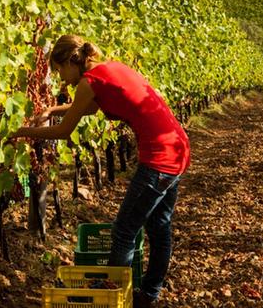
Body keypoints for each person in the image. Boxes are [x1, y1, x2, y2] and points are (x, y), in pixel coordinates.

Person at [11, 35, 190, 308]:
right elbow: (90, 108)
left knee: (123, 231)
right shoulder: (108, 70)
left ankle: (112, 298)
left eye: (59, 71)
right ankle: (147, 296)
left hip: (159, 158)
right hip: (177, 146)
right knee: (159, 227)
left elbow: (63, 131)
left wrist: (21, 132)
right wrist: (51, 109)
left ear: (72, 61)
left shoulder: (88, 82)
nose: (62, 79)